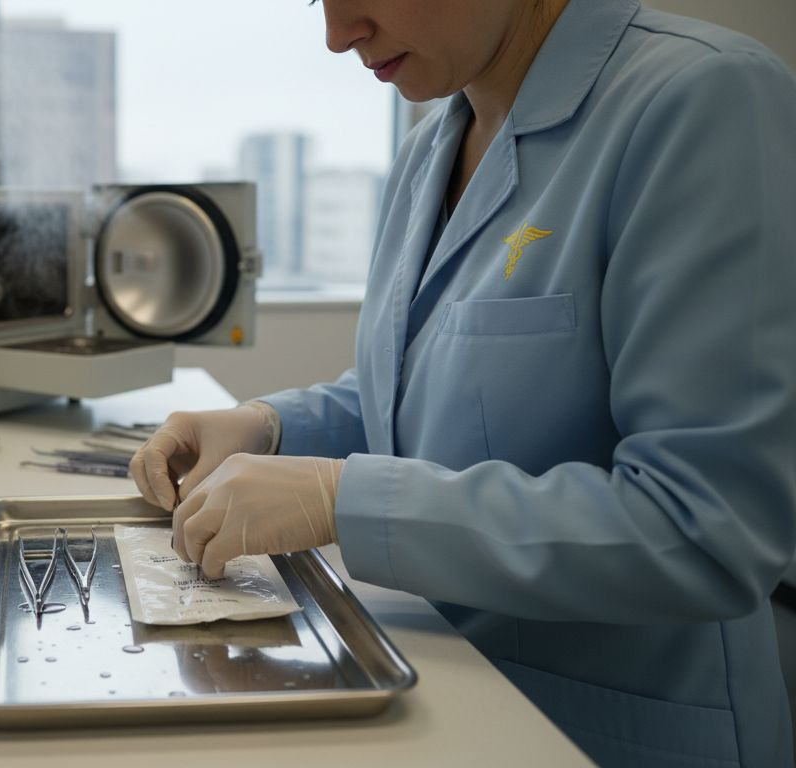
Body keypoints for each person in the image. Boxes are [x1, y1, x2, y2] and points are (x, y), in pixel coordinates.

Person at [129, 0, 796, 765]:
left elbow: (706, 532)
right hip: (449, 692)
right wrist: (266, 427)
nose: (337, 34)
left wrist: (339, 499)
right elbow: (423, 389)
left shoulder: (703, 100)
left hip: (611, 731)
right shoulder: (431, 145)